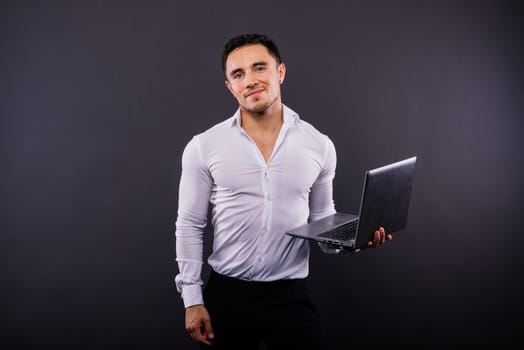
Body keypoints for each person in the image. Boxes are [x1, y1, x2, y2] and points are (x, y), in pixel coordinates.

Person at [174, 33, 392, 349]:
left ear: (280, 72)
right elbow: (189, 225)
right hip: (227, 294)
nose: (250, 80)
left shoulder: (319, 145)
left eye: (259, 67)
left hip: (290, 295)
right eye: (238, 74)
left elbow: (321, 221)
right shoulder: (203, 146)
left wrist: (352, 240)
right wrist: (192, 298)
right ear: (230, 86)